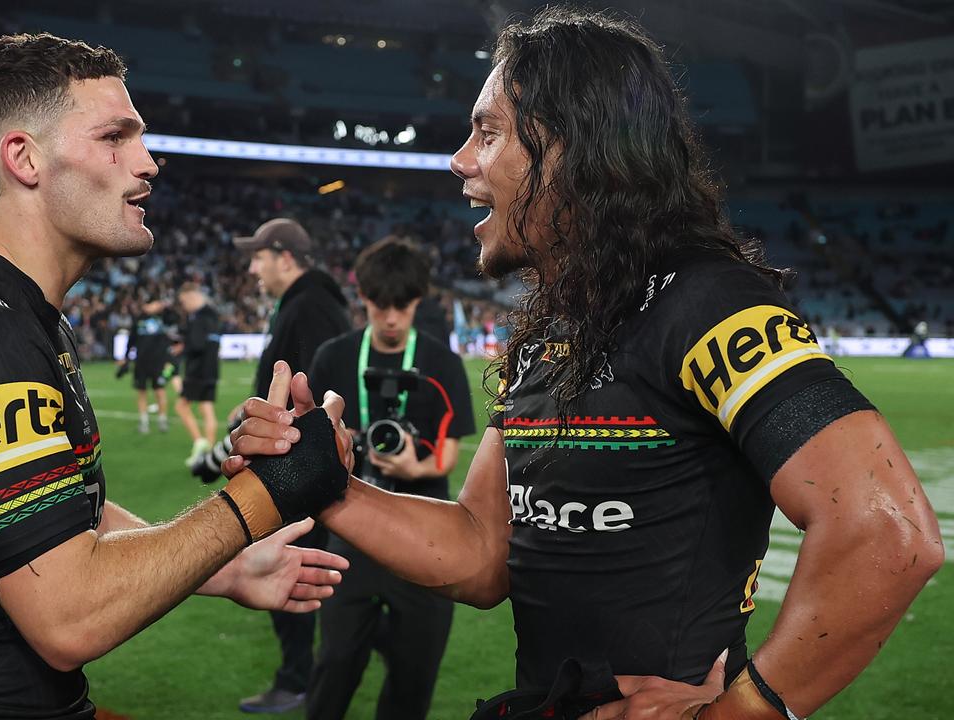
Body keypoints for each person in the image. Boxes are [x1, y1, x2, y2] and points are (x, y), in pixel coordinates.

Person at [230, 8, 943, 720]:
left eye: (487, 132)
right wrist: (329, 485)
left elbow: (888, 532)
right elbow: (482, 551)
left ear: (573, 147)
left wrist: (742, 712)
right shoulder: (552, 329)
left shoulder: (711, 304)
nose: (459, 160)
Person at [0, 33, 351, 719]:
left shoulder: (19, 314)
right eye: (115, 137)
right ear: (24, 158)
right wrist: (265, 497)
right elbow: (69, 619)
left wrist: (228, 566)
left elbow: (66, 511)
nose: (148, 162)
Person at [304, 236, 475, 720]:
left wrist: (414, 468)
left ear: (419, 300)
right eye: (381, 305)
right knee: (334, 665)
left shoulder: (442, 362)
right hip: (350, 533)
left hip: (424, 535)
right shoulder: (334, 357)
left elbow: (447, 455)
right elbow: (311, 444)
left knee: (413, 677)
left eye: (402, 305)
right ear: (363, 298)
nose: (392, 317)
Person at [233, 217, 351, 714]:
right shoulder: (305, 302)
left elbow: (320, 395)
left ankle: (298, 677)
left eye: (259, 256)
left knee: (291, 568)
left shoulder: (311, 305)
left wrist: (295, 453)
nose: (253, 267)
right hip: (291, 463)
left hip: (296, 471)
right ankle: (304, 671)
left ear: (285, 257)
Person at [174, 281, 221, 464]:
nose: (184, 306)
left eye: (184, 302)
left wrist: (183, 348)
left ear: (193, 296)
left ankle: (200, 443)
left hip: (198, 371)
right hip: (211, 369)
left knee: (181, 406)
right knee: (206, 409)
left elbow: (197, 345)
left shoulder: (200, 318)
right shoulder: (213, 315)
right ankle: (208, 453)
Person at [120, 298, 174, 433]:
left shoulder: (164, 317)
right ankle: (144, 422)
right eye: (151, 303)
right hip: (141, 362)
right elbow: (131, 340)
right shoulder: (138, 320)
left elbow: (175, 318)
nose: (153, 306)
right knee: (141, 392)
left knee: (160, 391)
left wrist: (164, 307)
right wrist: (126, 358)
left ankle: (162, 420)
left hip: (159, 362)